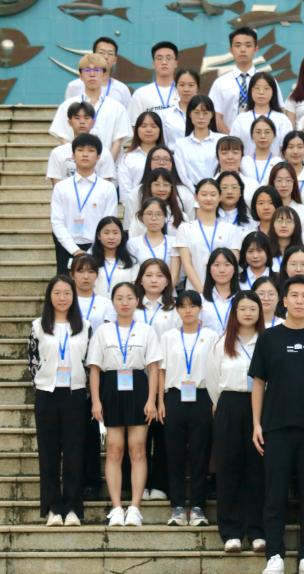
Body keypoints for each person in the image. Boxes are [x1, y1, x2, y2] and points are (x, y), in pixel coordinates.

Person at [250, 275, 304, 574]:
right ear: (284, 301)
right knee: (274, 494)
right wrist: (256, 424)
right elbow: (258, 383)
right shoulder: (269, 338)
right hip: (275, 428)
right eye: (294, 295)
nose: (300, 301)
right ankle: (274, 554)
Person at [88, 281, 162, 527]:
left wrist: (151, 400)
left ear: (137, 301)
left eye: (129, 298)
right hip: (111, 388)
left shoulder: (146, 330)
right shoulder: (103, 331)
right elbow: (95, 369)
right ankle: (117, 507)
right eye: (119, 298)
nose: (125, 302)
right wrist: (96, 400)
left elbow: (153, 368)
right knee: (114, 449)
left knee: (138, 449)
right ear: (112, 302)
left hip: (138, 387)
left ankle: (135, 508)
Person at [205, 290, 266, 553]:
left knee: (258, 469)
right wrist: (222, 404)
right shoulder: (222, 343)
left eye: (253, 308)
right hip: (229, 405)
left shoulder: (267, 341)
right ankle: (231, 531)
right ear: (235, 313)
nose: (248, 313)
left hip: (261, 407)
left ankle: (257, 531)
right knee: (229, 468)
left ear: (260, 312)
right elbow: (211, 379)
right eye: (243, 308)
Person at [31, 275, 91, 527]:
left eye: (67, 293)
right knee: (49, 453)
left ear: (73, 296)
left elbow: (89, 362)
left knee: (75, 452)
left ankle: (73, 508)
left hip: (75, 394)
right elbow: (32, 360)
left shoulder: (85, 326)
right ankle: (53, 508)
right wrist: (43, 382)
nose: (62, 297)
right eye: (57, 293)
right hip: (47, 393)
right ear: (49, 296)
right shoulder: (38, 326)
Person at [157, 290, 216, 527]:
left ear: (200, 309)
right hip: (175, 396)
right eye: (183, 306)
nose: (188, 310)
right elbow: (161, 370)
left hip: (202, 396)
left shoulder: (211, 336)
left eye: (193, 306)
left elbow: (216, 369)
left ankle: (199, 506)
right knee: (175, 454)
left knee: (201, 454)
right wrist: (160, 400)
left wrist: (215, 400)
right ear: (177, 310)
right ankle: (178, 507)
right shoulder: (169, 337)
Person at [51, 134, 118, 273]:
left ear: (98, 156)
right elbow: (57, 221)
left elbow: (109, 222)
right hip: (67, 247)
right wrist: (75, 250)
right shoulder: (61, 187)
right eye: (80, 150)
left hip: (98, 248)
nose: (85, 154)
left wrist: (92, 250)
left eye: (91, 150)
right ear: (73, 155)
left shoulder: (107, 188)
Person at [50, 53, 132, 161]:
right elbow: (63, 138)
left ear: (104, 75)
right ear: (80, 75)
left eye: (97, 70)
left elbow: (118, 141)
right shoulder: (67, 105)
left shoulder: (117, 108)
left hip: (107, 167)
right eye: (87, 70)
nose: (92, 74)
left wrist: (107, 165)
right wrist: (76, 162)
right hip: (74, 166)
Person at [47, 102, 117, 186]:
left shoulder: (104, 153)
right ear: (69, 122)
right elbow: (57, 187)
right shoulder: (57, 153)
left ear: (93, 122)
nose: (82, 122)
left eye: (86, 118)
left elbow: (106, 187)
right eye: (77, 118)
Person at [211, 27, 260, 133]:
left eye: (248, 45)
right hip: (228, 140)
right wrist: (231, 138)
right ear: (231, 50)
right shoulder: (220, 83)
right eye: (238, 45)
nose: (243, 50)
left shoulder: (268, 81)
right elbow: (215, 115)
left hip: (261, 140)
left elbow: (277, 111)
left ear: (256, 49)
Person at [65, 37, 131, 107]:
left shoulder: (122, 89)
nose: (106, 57)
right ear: (93, 55)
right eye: (101, 52)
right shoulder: (74, 86)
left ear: (115, 60)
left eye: (110, 53)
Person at [128, 41, 180, 120]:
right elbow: (133, 124)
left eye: (169, 58)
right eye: (159, 58)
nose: (164, 62)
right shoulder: (140, 94)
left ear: (176, 63)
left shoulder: (184, 92)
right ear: (153, 64)